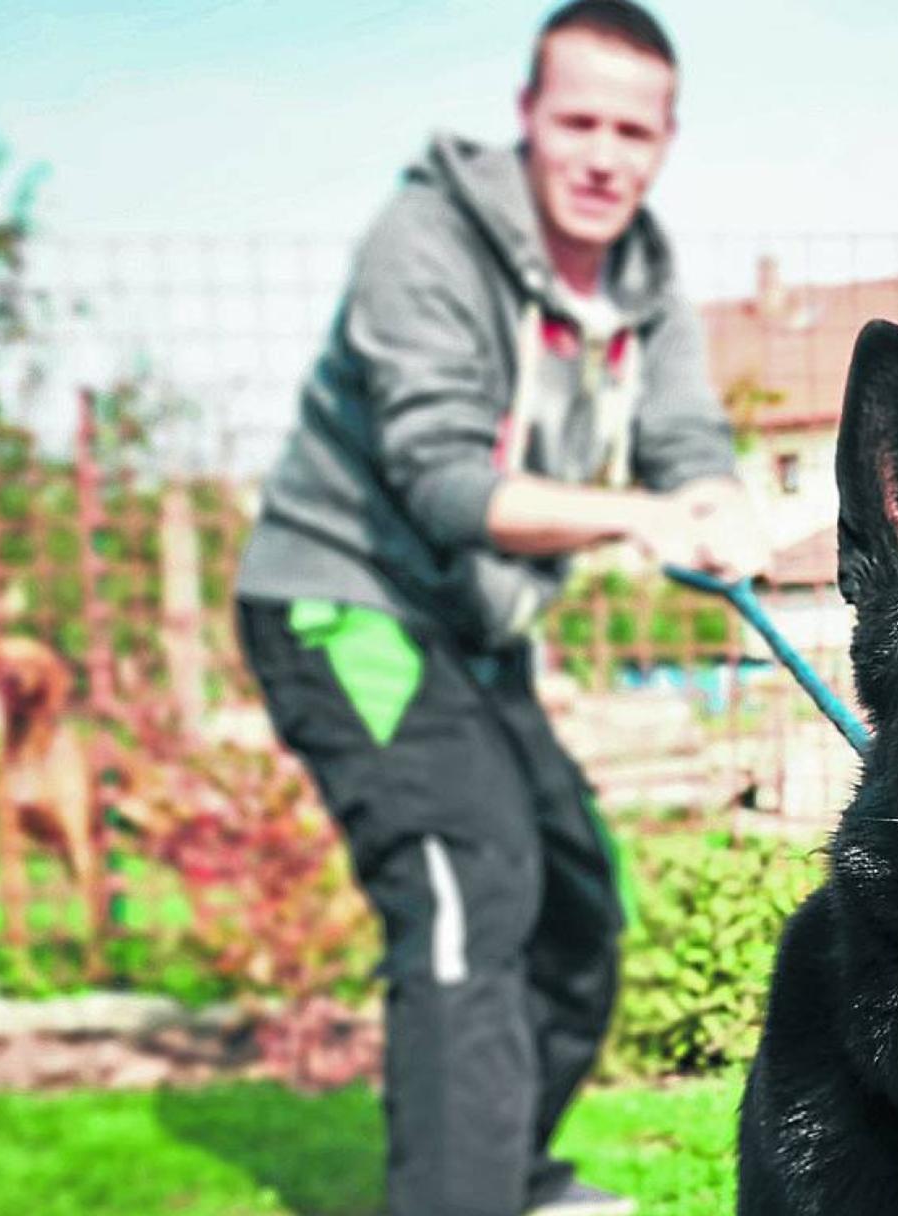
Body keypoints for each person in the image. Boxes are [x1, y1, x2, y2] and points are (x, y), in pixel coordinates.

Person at [233, 3, 762, 1214]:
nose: (600, 154)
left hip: (473, 633)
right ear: (526, 119)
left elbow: (683, 434)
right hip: (344, 605)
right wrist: (636, 517)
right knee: (473, 882)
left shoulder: (644, 272)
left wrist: (718, 499)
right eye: (575, 120)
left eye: (632, 130)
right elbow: (444, 481)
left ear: (665, 141)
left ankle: (506, 1172)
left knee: (580, 905)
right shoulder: (423, 243)